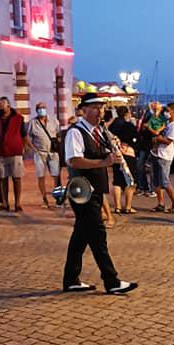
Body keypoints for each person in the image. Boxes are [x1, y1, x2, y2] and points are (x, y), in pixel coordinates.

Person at [63, 93, 137, 295]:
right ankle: (111, 281)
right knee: (98, 235)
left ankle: (71, 279)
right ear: (83, 110)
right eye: (95, 108)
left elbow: (105, 154)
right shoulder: (75, 132)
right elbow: (74, 160)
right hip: (82, 190)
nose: (100, 112)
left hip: (95, 189)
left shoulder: (101, 131)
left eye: (101, 108)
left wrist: (116, 151)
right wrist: (103, 162)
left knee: (80, 237)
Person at [0, 97, 27, 211]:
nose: (0, 108)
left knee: (16, 178)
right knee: (3, 178)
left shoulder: (18, 118)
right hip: (1, 152)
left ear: (8, 106)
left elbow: (23, 134)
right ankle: (5, 203)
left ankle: (17, 203)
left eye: (1, 106)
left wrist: (24, 147)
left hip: (15, 151)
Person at [26, 101, 62, 208]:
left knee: (56, 175)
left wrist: (58, 141)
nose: (42, 110)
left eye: (44, 108)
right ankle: (44, 199)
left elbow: (59, 133)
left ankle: (58, 198)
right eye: (40, 108)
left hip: (53, 152)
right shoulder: (33, 123)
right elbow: (27, 137)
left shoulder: (53, 121)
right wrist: (34, 149)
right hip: (40, 153)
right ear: (36, 110)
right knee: (41, 176)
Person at [151, 103, 174, 213]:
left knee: (165, 182)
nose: (165, 112)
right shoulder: (168, 124)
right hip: (157, 154)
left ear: (173, 111)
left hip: (165, 156)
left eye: (167, 110)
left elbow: (169, 141)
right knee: (156, 182)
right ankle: (160, 204)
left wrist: (158, 138)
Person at [109, 105, 138, 215]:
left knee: (117, 180)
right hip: (128, 153)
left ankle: (117, 206)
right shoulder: (128, 125)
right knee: (129, 180)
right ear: (126, 113)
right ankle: (128, 207)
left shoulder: (112, 125)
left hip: (116, 154)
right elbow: (136, 139)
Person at [135, 102, 161, 197]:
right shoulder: (146, 114)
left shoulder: (158, 117)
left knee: (152, 168)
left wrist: (147, 127)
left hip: (151, 145)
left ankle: (152, 189)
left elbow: (157, 131)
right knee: (140, 166)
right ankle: (143, 187)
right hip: (143, 144)